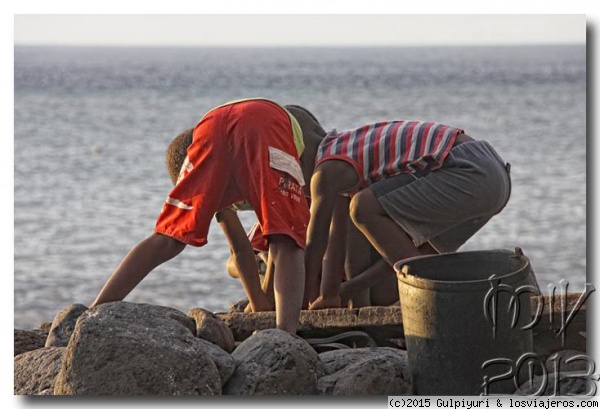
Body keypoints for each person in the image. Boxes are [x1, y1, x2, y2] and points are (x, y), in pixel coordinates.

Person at [90, 98, 325, 333]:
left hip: (215, 126)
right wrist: (259, 304)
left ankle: (95, 310)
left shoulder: (220, 182)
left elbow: (241, 249)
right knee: (286, 239)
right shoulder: (243, 171)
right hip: (249, 122)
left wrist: (261, 302)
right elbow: (250, 247)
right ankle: (285, 334)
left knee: (168, 237)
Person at [305, 120, 511, 309]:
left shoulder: (328, 166)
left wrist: (305, 303)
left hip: (467, 165)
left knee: (362, 206)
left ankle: (438, 302)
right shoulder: (352, 163)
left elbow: (317, 243)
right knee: (415, 262)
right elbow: (342, 241)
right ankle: (456, 300)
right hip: (496, 176)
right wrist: (340, 293)